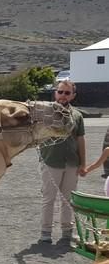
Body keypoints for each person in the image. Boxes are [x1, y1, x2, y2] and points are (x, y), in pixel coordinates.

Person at [38, 80, 86, 244]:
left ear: (73, 96)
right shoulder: (44, 112)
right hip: (50, 161)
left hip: (71, 163)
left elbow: (80, 140)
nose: (63, 96)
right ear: (55, 93)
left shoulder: (78, 116)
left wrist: (83, 163)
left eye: (67, 93)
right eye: (60, 92)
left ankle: (67, 231)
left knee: (68, 199)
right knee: (48, 198)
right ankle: (46, 232)